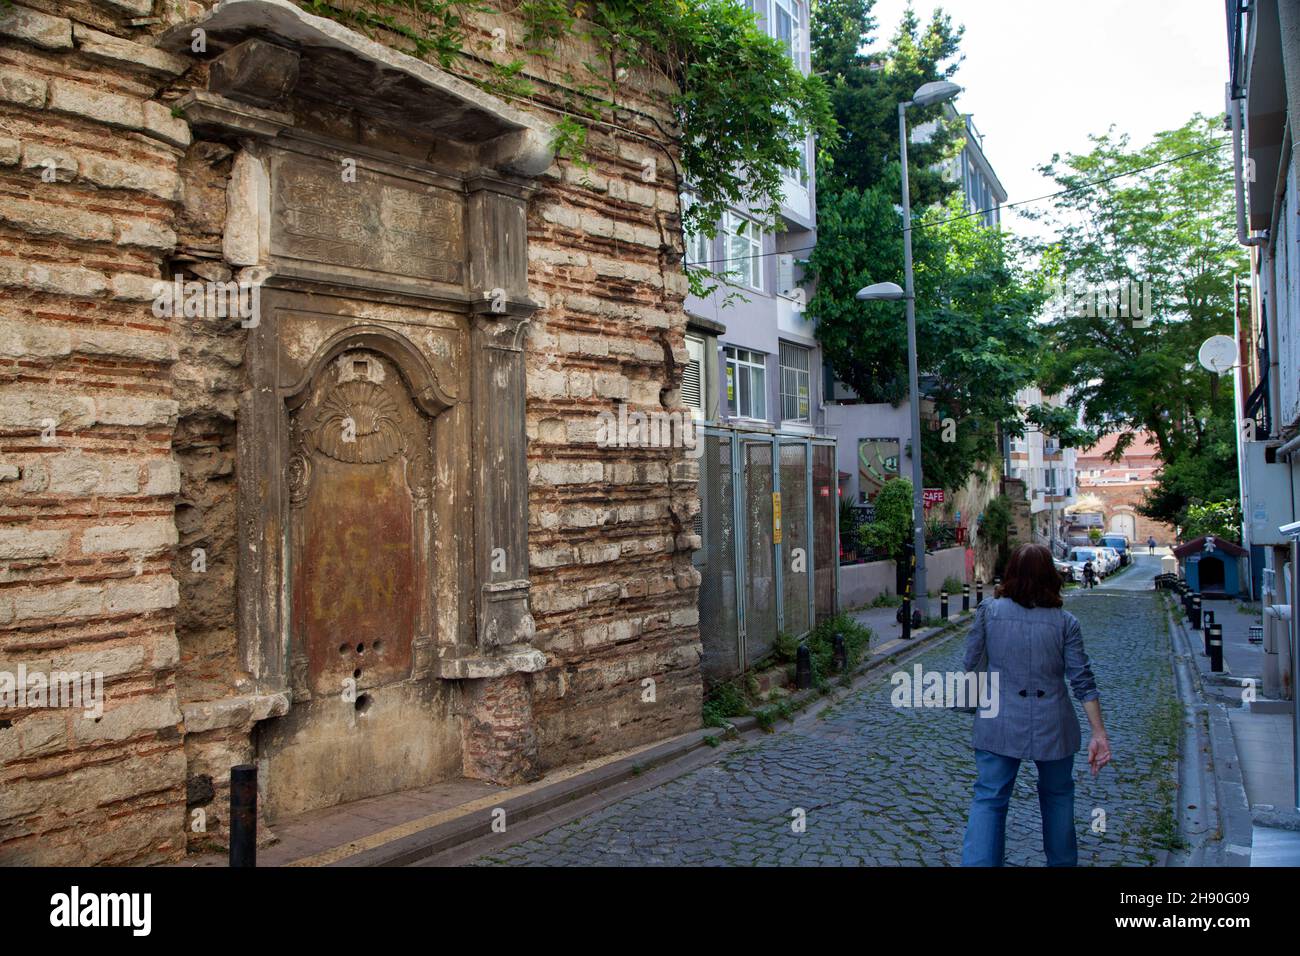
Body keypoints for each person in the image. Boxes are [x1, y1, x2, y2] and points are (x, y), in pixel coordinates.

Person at [960, 543, 1111, 866]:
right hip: (1053, 720)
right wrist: (1099, 733)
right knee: (1057, 798)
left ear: (1011, 573)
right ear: (1051, 576)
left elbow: (971, 662)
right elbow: (1082, 679)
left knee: (989, 798)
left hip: (998, 718)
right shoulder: (1065, 622)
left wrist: (973, 705)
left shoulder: (989, 612)